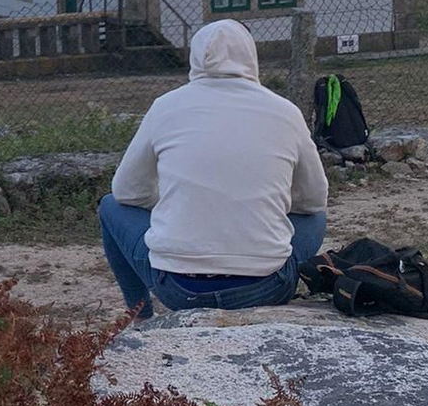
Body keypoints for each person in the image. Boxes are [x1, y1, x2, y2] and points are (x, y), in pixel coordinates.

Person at [98, 19, 329, 320]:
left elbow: (126, 192)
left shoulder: (165, 107)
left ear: (195, 57)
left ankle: (139, 316)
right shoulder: (285, 112)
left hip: (178, 289)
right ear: (251, 56)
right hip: (266, 287)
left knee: (109, 206)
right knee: (316, 218)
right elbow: (313, 200)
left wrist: (176, 203)